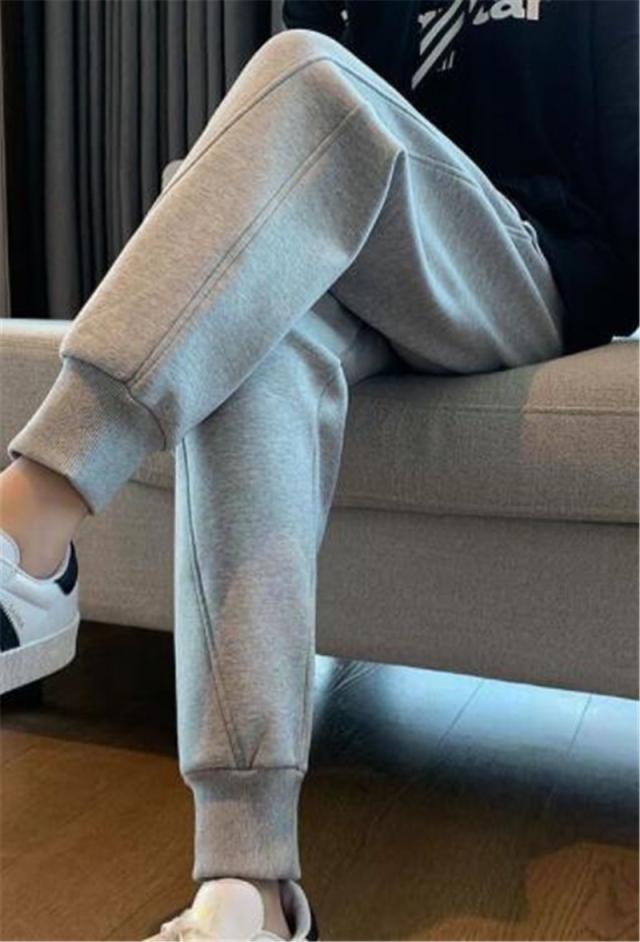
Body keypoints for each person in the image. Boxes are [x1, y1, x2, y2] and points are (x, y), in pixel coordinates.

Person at [0, 1, 637, 939]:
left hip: (522, 266)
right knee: (256, 346)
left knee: (308, 74)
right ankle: (247, 885)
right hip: (368, 263)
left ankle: (34, 519)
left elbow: (626, 215)